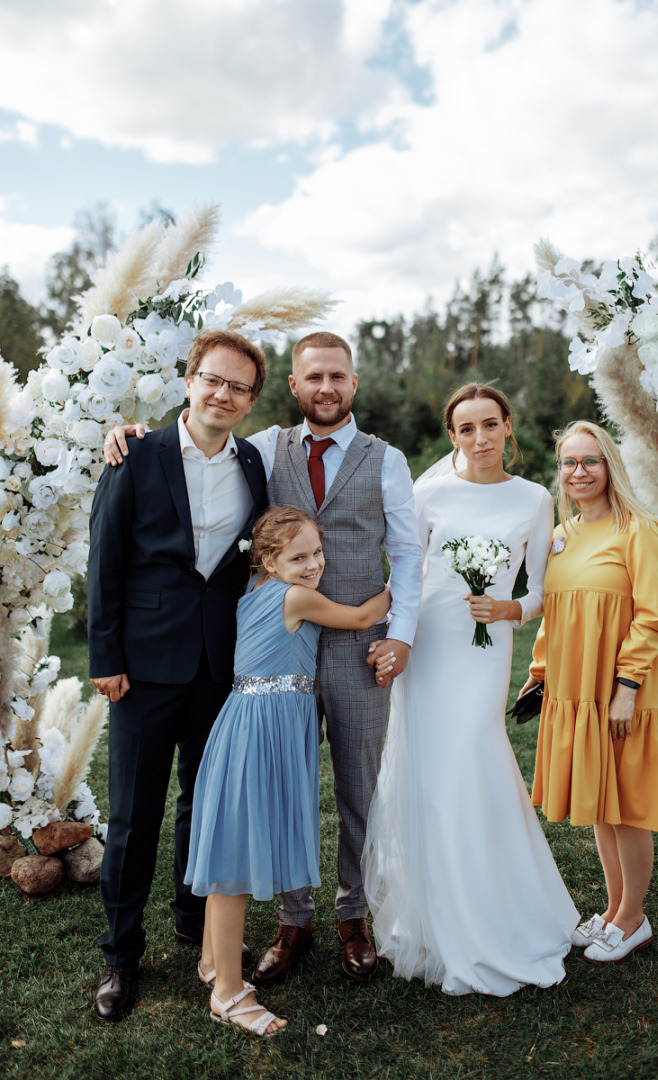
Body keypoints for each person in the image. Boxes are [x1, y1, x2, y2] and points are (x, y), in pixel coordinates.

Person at [103, 330, 423, 984]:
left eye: (338, 376)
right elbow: (117, 542)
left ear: (353, 383)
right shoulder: (246, 450)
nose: (326, 388)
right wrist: (123, 432)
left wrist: (403, 632)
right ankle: (279, 921)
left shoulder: (372, 459)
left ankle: (338, 920)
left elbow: (412, 553)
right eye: (314, 377)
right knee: (251, 793)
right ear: (293, 387)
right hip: (243, 656)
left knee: (345, 790)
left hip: (332, 654)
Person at [361, 384, 579, 996]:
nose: (479, 438)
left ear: (509, 426)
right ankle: (436, 916)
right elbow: (407, 568)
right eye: (466, 429)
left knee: (474, 757)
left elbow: (541, 590)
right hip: (429, 644)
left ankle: (502, 910)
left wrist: (506, 608)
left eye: (490, 425)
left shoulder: (535, 499)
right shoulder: (428, 492)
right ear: (451, 435)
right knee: (433, 772)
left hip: (485, 648)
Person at [88, 329, 268, 1022]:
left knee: (205, 803)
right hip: (142, 664)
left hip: (218, 664)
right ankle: (119, 956)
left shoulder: (252, 462)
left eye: (238, 386)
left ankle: (198, 930)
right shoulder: (136, 453)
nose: (223, 394)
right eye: (212, 380)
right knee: (134, 814)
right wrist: (106, 657)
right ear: (190, 381)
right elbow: (104, 559)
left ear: (250, 401)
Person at [185, 506, 392, 1035]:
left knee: (226, 845)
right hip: (262, 730)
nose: (313, 565)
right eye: (297, 557)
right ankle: (228, 994)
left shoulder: (255, 586)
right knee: (231, 858)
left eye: (317, 553)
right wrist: (407, 586)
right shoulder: (295, 596)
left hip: (251, 720)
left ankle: (213, 961)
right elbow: (363, 618)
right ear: (268, 559)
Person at [518, 421, 658, 963]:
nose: (579, 472)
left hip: (617, 688)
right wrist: (540, 672)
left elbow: (649, 617)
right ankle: (614, 912)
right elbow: (555, 613)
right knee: (601, 802)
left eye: (590, 461)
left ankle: (634, 918)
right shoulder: (563, 534)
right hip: (573, 687)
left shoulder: (639, 529)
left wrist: (628, 686)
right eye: (569, 463)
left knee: (627, 803)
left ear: (610, 464)